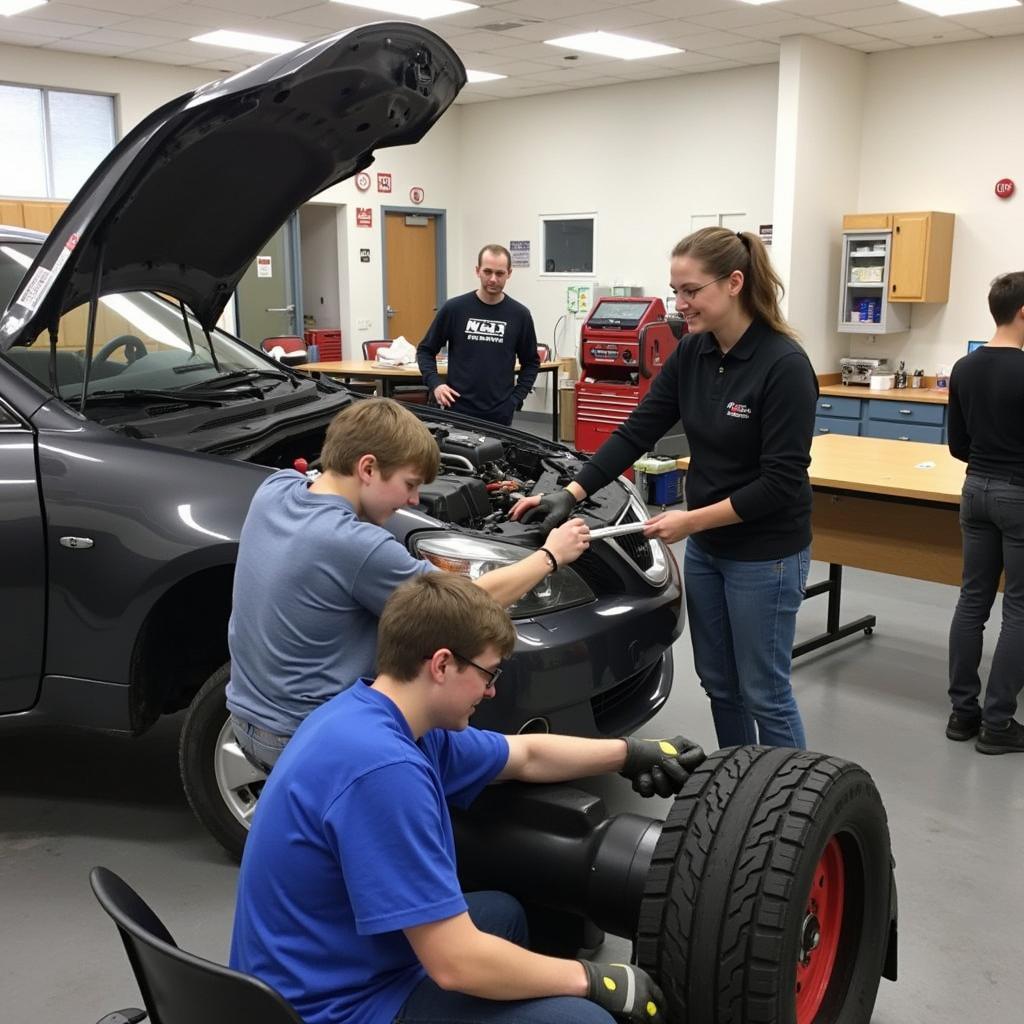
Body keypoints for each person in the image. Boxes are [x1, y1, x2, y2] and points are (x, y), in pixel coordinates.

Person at [231, 572, 704, 1024]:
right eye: (488, 673)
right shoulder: (383, 770)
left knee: (503, 914)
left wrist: (631, 754)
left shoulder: (383, 716)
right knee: (580, 1018)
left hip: (336, 957)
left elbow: (526, 755)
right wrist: (594, 981)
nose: (492, 689)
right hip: (330, 1007)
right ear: (441, 664)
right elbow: (456, 965)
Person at [511, 227, 818, 750]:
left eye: (691, 291)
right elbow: (636, 430)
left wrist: (689, 520)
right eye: (675, 290)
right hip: (709, 550)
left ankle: (790, 806)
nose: (680, 304)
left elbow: (780, 485)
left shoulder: (783, 367)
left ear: (735, 283)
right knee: (720, 685)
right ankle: (736, 785)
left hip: (765, 556)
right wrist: (574, 492)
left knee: (763, 691)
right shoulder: (693, 353)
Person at [226, 398, 589, 771]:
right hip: (302, 739)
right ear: (367, 467)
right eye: (409, 484)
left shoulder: (275, 488)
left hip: (243, 717)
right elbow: (467, 603)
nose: (413, 500)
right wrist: (550, 556)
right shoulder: (355, 545)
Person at [946, 271, 1024, 754]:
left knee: (973, 600)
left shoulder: (964, 367)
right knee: (1018, 606)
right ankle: (998, 724)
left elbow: (958, 444)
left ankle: (963, 714)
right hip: (1019, 494)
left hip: (974, 489)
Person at [416, 244, 541, 425]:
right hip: (458, 410)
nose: (492, 279)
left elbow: (531, 362)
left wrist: (515, 399)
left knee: (497, 454)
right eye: (487, 272)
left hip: (500, 414)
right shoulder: (455, 309)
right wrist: (436, 384)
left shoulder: (520, 315)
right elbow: (425, 350)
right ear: (477, 271)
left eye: (499, 274)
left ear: (509, 273)